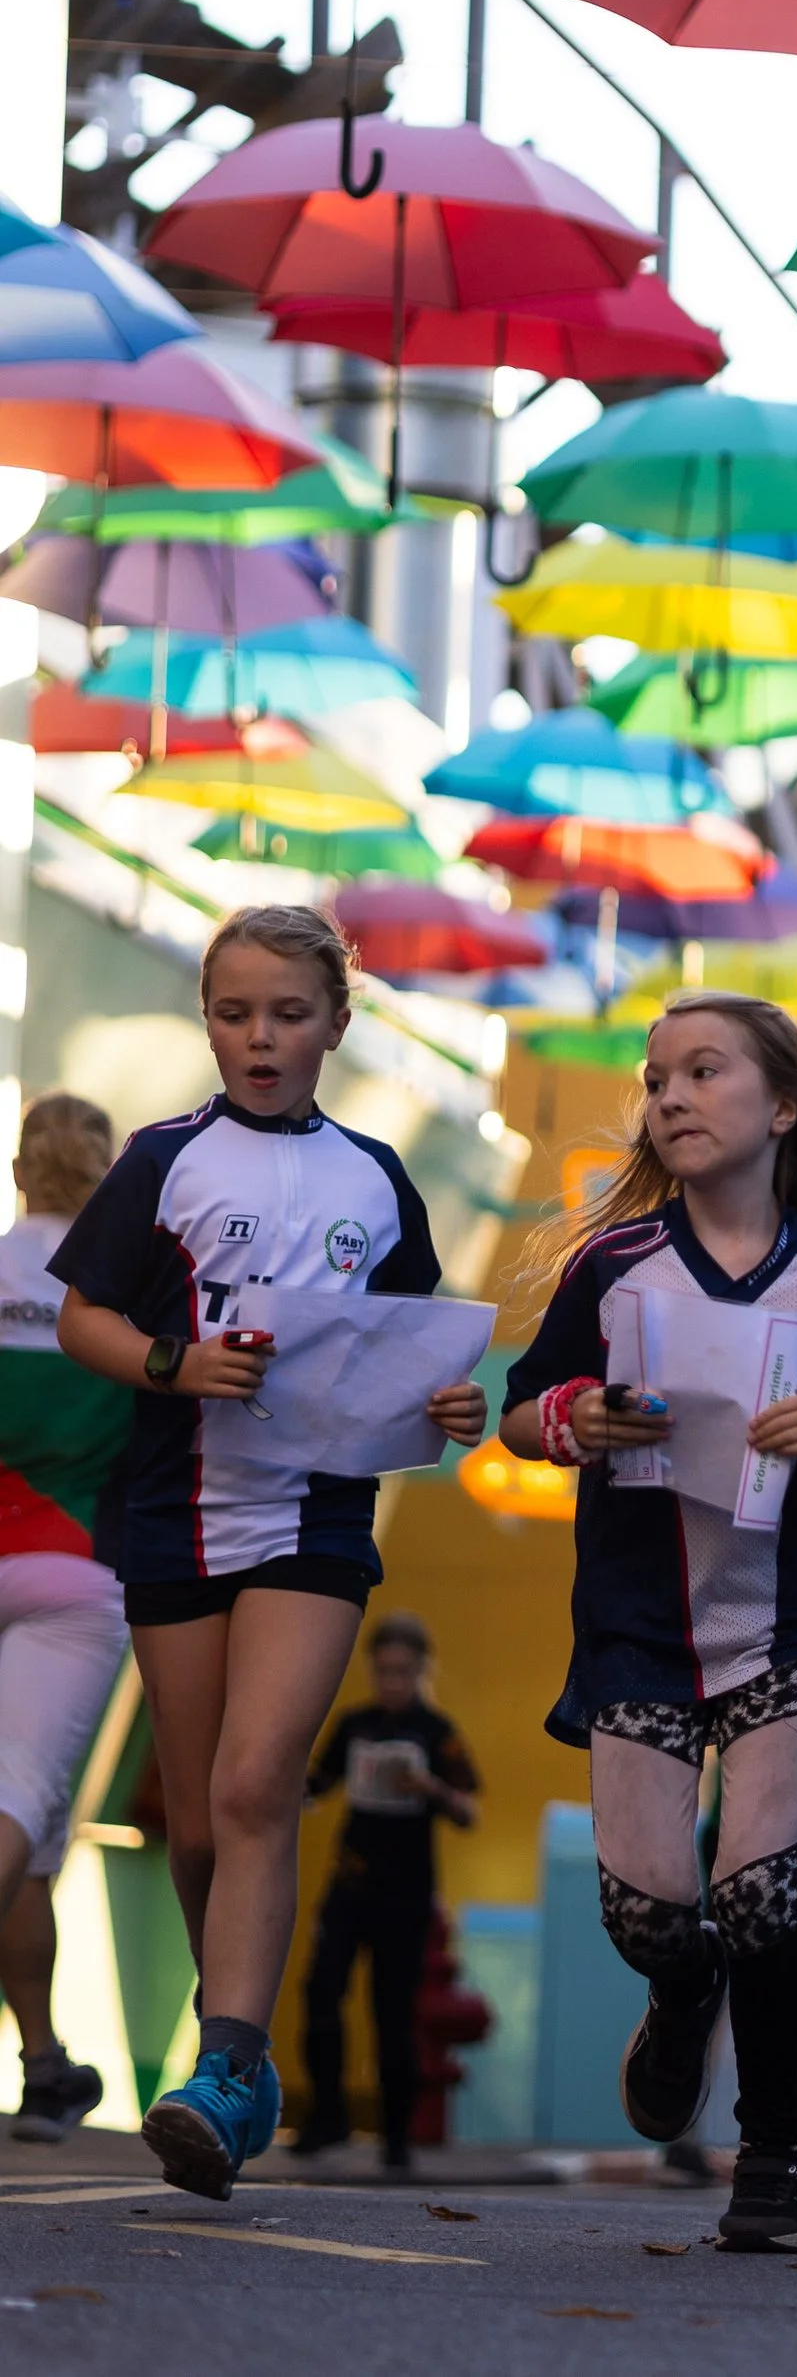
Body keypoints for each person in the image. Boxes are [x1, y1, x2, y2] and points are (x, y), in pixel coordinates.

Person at [53, 906, 482, 2200]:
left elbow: (406, 1347)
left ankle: (227, 2062)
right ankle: (241, 2057)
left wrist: (448, 1404)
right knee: (194, 1821)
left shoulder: (377, 1178)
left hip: (315, 1516)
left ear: (336, 1024)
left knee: (254, 1786)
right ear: (206, 1020)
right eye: (234, 1012)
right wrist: (175, 1361)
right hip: (176, 1511)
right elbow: (81, 1317)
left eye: (289, 1013)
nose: (260, 1036)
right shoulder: (161, 1159)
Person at [501, 991, 797, 2255]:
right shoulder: (612, 1266)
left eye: (703, 1071)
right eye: (656, 1078)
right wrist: (574, 1419)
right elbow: (523, 1409)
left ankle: (770, 2154)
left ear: (784, 1106)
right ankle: (679, 1991)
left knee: (763, 1891)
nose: (671, 1095)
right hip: (636, 1622)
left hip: (787, 1626)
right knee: (649, 1912)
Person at [0, 1091, 126, 2142]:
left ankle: (43, 2063)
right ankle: (41, 2065)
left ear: (18, 1170)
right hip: (74, 1568)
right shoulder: (120, 1296)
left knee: (31, 1837)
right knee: (18, 1800)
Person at [295, 1612, 478, 2168]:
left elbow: (468, 1809)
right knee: (321, 1988)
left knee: (393, 2010)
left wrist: (430, 1789)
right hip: (352, 1882)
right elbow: (317, 1783)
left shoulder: (436, 1731)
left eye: (404, 1671)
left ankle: (395, 2133)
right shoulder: (356, 1724)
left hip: (407, 1893)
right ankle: (327, 2115)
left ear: (422, 1670)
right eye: (384, 1671)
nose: (393, 1682)